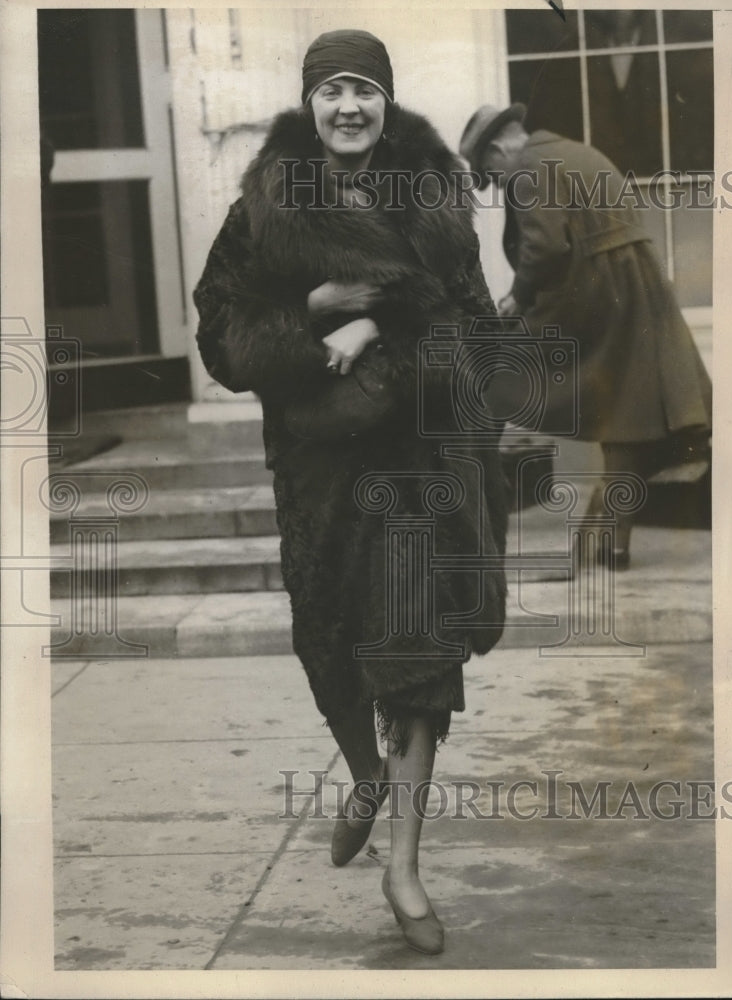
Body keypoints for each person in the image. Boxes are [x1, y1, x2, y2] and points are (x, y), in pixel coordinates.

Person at [194, 30, 509, 955]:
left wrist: (382, 328)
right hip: (320, 471)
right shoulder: (265, 204)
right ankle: (363, 773)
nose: (347, 109)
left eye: (363, 91)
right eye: (331, 90)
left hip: (413, 466)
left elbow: (475, 331)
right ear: (310, 102)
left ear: (386, 101)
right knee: (330, 642)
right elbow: (221, 331)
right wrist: (316, 314)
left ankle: (404, 865)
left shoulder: (435, 197)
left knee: (418, 667)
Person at [459, 103, 712, 569]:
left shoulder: (527, 166)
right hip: (638, 288)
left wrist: (519, 295)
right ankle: (613, 545)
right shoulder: (575, 151)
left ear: (498, 149)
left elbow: (546, 245)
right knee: (627, 420)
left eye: (488, 173)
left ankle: (465, 512)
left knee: (489, 377)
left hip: (595, 291)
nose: (494, 183)